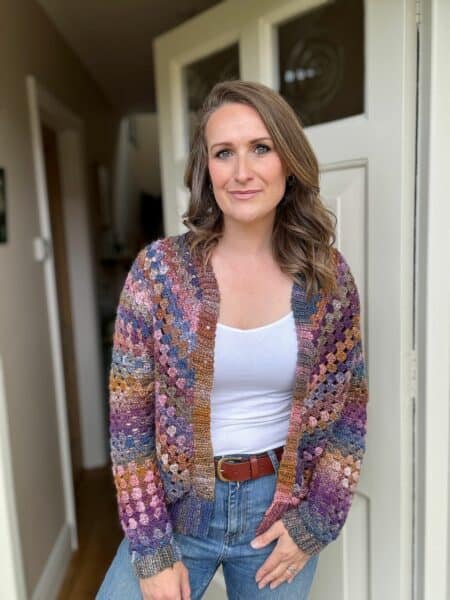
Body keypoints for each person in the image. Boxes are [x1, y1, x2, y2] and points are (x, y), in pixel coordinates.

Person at [97, 80, 369, 600]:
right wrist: (152, 549)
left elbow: (349, 412)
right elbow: (128, 424)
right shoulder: (158, 273)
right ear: (207, 170)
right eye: (224, 153)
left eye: (260, 148)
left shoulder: (326, 278)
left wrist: (316, 522)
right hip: (175, 511)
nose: (242, 171)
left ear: (287, 163)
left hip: (277, 514)